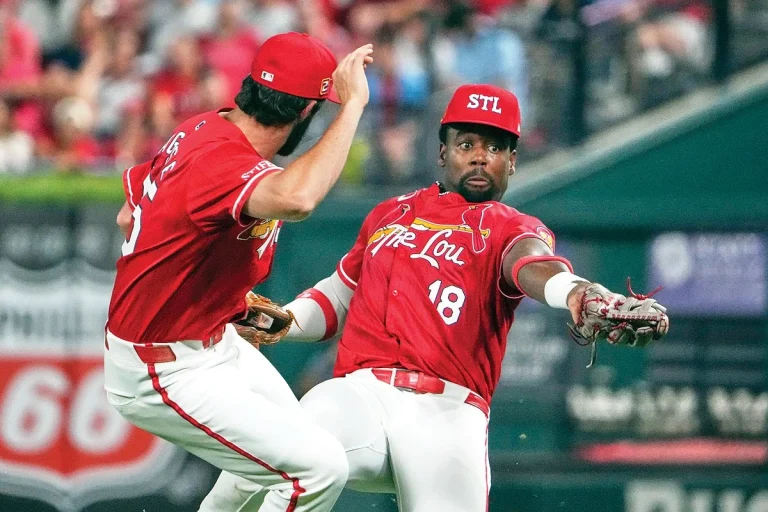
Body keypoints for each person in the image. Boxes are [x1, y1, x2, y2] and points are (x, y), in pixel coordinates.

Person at [201, 83, 668, 511]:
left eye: (495, 147)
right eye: (467, 144)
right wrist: (285, 319)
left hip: (446, 413)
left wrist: (577, 293)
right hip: (359, 395)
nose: (480, 157)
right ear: (443, 152)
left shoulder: (511, 227)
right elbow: (339, 298)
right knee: (265, 457)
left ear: (512, 161)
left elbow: (534, 266)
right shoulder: (390, 213)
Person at [104, 32, 374, 512]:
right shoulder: (220, 160)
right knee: (317, 470)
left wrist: (211, 295)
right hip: (164, 366)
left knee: (274, 461)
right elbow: (298, 198)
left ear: (249, 86)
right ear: (307, 113)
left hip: (206, 338)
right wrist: (351, 108)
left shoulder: (207, 126)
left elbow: (130, 215)